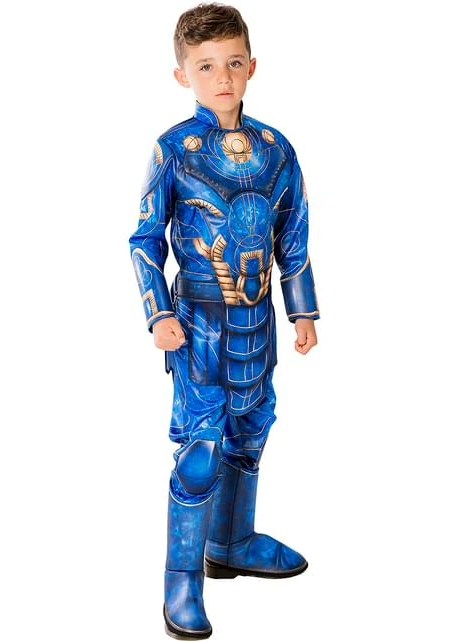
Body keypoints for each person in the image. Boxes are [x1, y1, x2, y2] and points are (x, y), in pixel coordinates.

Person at [129, 3, 319, 639]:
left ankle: (232, 542)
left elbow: (293, 236)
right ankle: (181, 580)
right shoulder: (174, 150)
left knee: (251, 432)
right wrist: (158, 312)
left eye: (234, 63)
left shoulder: (276, 149)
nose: (223, 77)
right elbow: (144, 240)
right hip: (199, 324)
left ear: (252, 67)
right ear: (182, 75)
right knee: (200, 450)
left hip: (258, 321)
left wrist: (302, 310)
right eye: (206, 66)